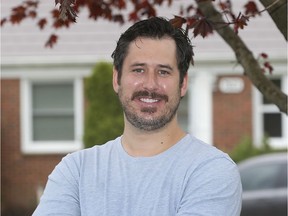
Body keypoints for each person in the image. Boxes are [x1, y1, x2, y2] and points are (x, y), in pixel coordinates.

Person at [33, 17, 242, 216]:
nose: (150, 85)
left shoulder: (212, 170)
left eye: (163, 72)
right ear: (117, 79)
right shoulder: (76, 171)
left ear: (183, 83)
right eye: (138, 70)